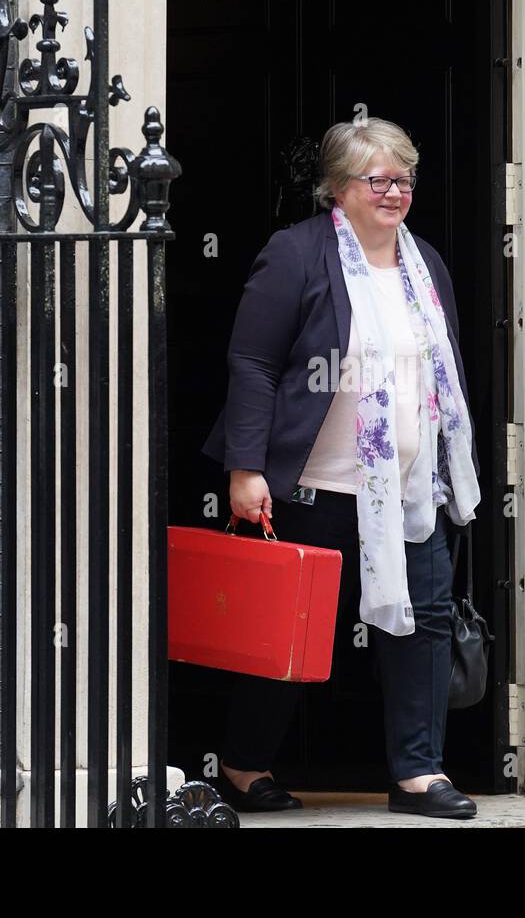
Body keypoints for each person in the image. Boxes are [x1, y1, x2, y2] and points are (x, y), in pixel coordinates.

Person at [200, 117, 482, 819]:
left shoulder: (426, 265)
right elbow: (254, 364)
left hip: (411, 492)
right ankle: (242, 763)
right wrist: (245, 466)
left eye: (404, 179)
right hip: (313, 486)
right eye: (378, 179)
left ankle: (417, 773)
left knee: (423, 625)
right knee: (290, 631)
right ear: (338, 188)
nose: (395, 192)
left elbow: (441, 376)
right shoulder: (295, 254)